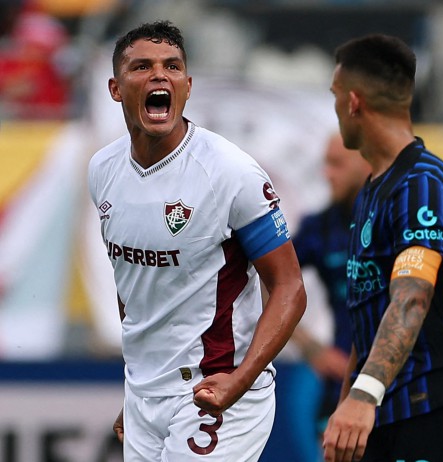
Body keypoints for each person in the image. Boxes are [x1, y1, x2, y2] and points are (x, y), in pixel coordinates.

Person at [87, 21, 306, 462]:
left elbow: (290, 287)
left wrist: (241, 380)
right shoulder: (103, 170)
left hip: (216, 387)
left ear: (187, 87)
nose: (159, 75)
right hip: (146, 393)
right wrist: (139, 391)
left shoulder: (229, 172)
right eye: (142, 67)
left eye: (172, 67)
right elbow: (134, 289)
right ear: (115, 88)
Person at [322, 34, 443, 462]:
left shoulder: (421, 183)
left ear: (354, 102)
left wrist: (362, 396)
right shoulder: (371, 191)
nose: (335, 107)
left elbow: (412, 298)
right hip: (382, 414)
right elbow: (369, 323)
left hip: (435, 414)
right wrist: (345, 406)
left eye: (335, 95)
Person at [261, 133, 370, 462]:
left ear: (367, 161)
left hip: (404, 386)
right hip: (341, 387)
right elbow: (267, 280)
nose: (326, 174)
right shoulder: (320, 228)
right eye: (325, 164)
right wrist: (311, 348)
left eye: (337, 164)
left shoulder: (400, 218)